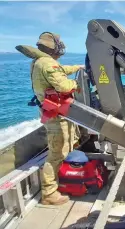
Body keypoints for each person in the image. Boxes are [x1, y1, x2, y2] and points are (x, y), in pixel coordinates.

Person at [31, 32, 83, 205]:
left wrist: (77, 67)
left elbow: (60, 70)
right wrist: (77, 84)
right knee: (56, 153)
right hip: (55, 115)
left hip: (55, 112)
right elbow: (63, 85)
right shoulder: (47, 64)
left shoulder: (41, 62)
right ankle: (49, 193)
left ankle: (61, 182)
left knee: (65, 146)